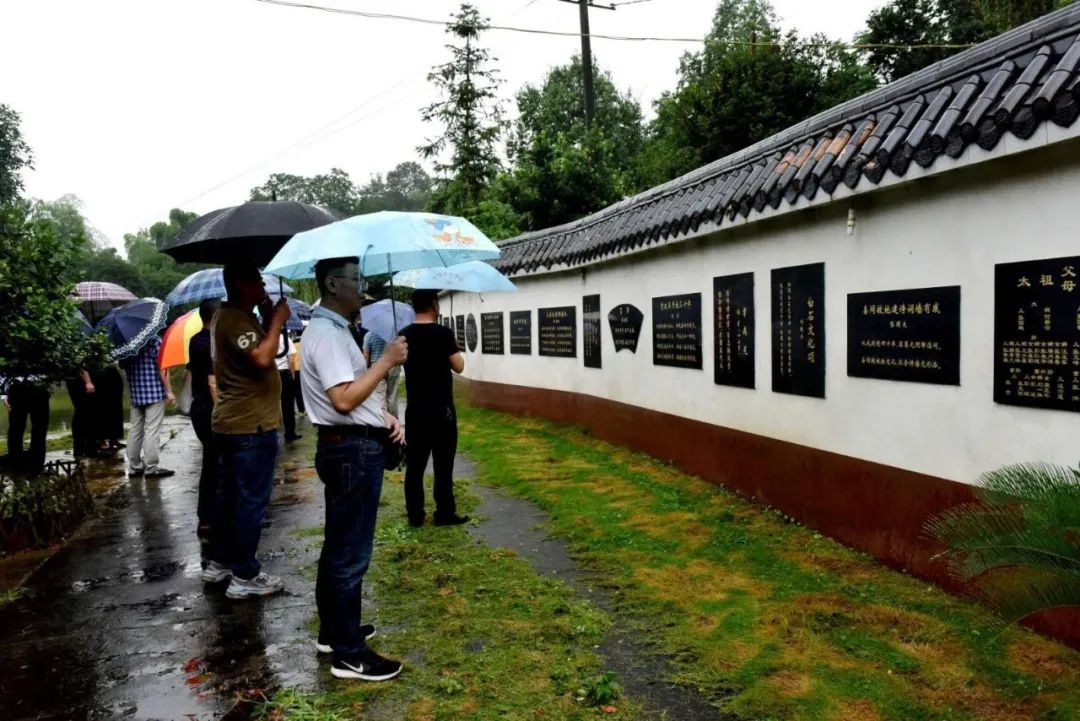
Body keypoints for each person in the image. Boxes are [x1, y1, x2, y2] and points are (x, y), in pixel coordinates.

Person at [301, 256, 407, 681]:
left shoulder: (337, 331)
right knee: (350, 553)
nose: (361, 288)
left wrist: (384, 416)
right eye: (355, 280)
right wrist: (387, 361)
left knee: (340, 545)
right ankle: (349, 654)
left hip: (352, 445)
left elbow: (354, 398)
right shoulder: (326, 334)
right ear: (331, 284)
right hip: (350, 451)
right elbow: (342, 400)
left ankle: (335, 630)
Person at [200, 262, 290, 600]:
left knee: (230, 498)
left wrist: (269, 315)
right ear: (240, 283)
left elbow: (268, 348)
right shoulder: (234, 318)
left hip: (237, 423)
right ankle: (244, 576)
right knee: (251, 502)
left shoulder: (236, 316)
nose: (262, 287)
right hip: (249, 426)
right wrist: (278, 320)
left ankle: (220, 561)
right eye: (257, 281)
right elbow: (262, 358)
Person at [400, 289, 468, 528]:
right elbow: (459, 366)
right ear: (433, 304)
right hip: (442, 411)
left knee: (415, 466)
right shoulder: (443, 334)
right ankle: (444, 512)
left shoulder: (404, 335)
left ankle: (415, 515)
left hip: (416, 411)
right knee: (443, 464)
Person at [186, 299, 219, 538]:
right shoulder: (209, 342)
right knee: (216, 463)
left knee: (210, 461)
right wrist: (222, 410)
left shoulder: (194, 339)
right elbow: (212, 382)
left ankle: (206, 516)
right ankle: (210, 516)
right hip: (210, 408)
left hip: (199, 406)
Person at [123, 336, 175, 478]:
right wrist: (169, 391)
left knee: (135, 431)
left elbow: (124, 367)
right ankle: (151, 468)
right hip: (154, 394)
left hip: (136, 394)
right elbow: (162, 368)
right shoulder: (153, 341)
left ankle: (134, 467)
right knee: (152, 431)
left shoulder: (126, 344)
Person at [2, 377, 50, 473]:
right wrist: (4, 395)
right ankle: (16, 464)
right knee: (16, 429)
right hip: (17, 388)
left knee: (40, 429)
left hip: (40, 388)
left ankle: (37, 465)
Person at [362, 328, 402, 419]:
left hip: (377, 366)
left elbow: (365, 355)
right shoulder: (393, 335)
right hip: (393, 365)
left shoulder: (369, 336)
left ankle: (383, 421)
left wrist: (366, 371)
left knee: (380, 396)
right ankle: (394, 420)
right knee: (393, 395)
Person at [276, 332, 301, 443]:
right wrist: (292, 376)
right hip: (284, 374)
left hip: (271, 374)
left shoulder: (265, 339)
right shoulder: (285, 340)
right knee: (288, 406)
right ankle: (290, 433)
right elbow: (290, 359)